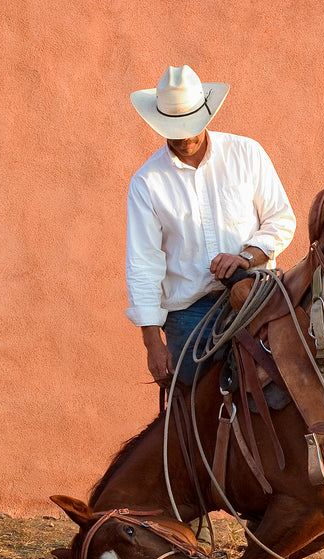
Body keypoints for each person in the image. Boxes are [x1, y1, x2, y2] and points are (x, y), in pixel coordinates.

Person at [125, 65, 296, 386]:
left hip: (256, 294)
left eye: (191, 125)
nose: (187, 136)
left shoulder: (247, 154)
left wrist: (246, 256)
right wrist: (151, 344)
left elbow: (281, 219)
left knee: (295, 387)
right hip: (190, 313)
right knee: (193, 412)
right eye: (175, 129)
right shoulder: (147, 183)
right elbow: (143, 264)